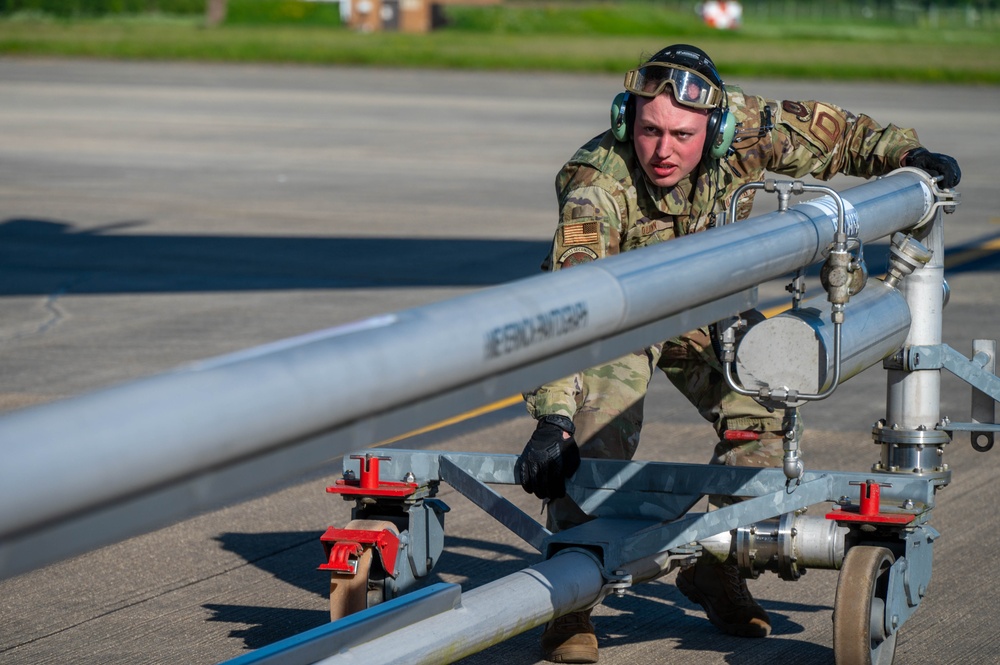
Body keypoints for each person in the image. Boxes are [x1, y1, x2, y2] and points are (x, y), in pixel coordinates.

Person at [515, 43, 961, 664]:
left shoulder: (748, 131)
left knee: (769, 408)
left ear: (716, 129)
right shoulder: (595, 184)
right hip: (620, 320)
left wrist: (906, 155)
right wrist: (554, 416)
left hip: (705, 308)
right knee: (589, 444)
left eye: (680, 133)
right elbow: (568, 302)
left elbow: (837, 136)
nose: (662, 149)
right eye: (648, 130)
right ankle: (570, 605)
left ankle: (719, 565)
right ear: (626, 122)